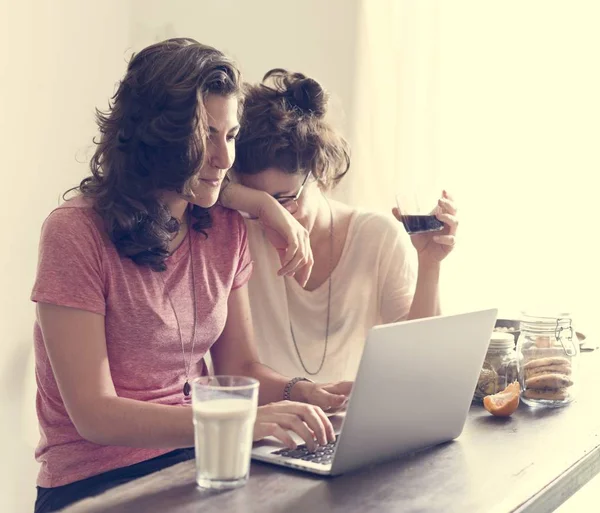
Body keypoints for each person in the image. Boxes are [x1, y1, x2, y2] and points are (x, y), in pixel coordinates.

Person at [31, 40, 348, 513]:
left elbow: (238, 369)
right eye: (206, 137)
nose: (224, 159)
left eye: (232, 135)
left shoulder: (224, 228)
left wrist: (302, 394)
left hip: (201, 466)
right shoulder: (74, 233)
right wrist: (239, 417)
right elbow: (94, 415)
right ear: (157, 139)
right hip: (94, 486)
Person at [230, 69, 459, 383]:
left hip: (354, 425)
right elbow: (182, 193)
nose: (272, 219)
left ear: (318, 173)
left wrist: (429, 264)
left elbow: (420, 366)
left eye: (282, 200)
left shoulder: (375, 237)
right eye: (256, 202)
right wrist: (258, 206)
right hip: (267, 426)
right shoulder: (238, 233)